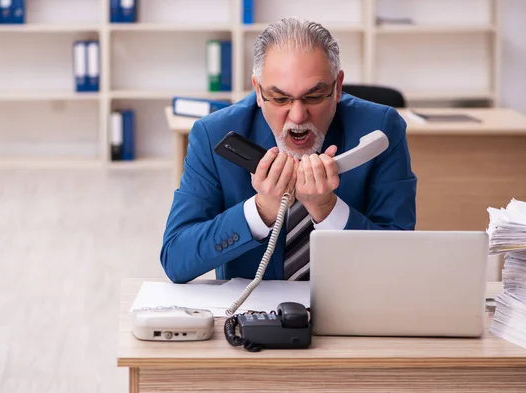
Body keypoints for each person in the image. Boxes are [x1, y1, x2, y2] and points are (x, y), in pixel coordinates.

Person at [160, 16, 417, 283]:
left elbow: (396, 260)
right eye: (280, 98)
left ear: (338, 87)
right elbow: (176, 258)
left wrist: (327, 209)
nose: (297, 116)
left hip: (354, 306)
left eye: (314, 96)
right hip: (252, 312)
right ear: (258, 92)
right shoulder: (212, 134)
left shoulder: (381, 129)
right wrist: (261, 210)